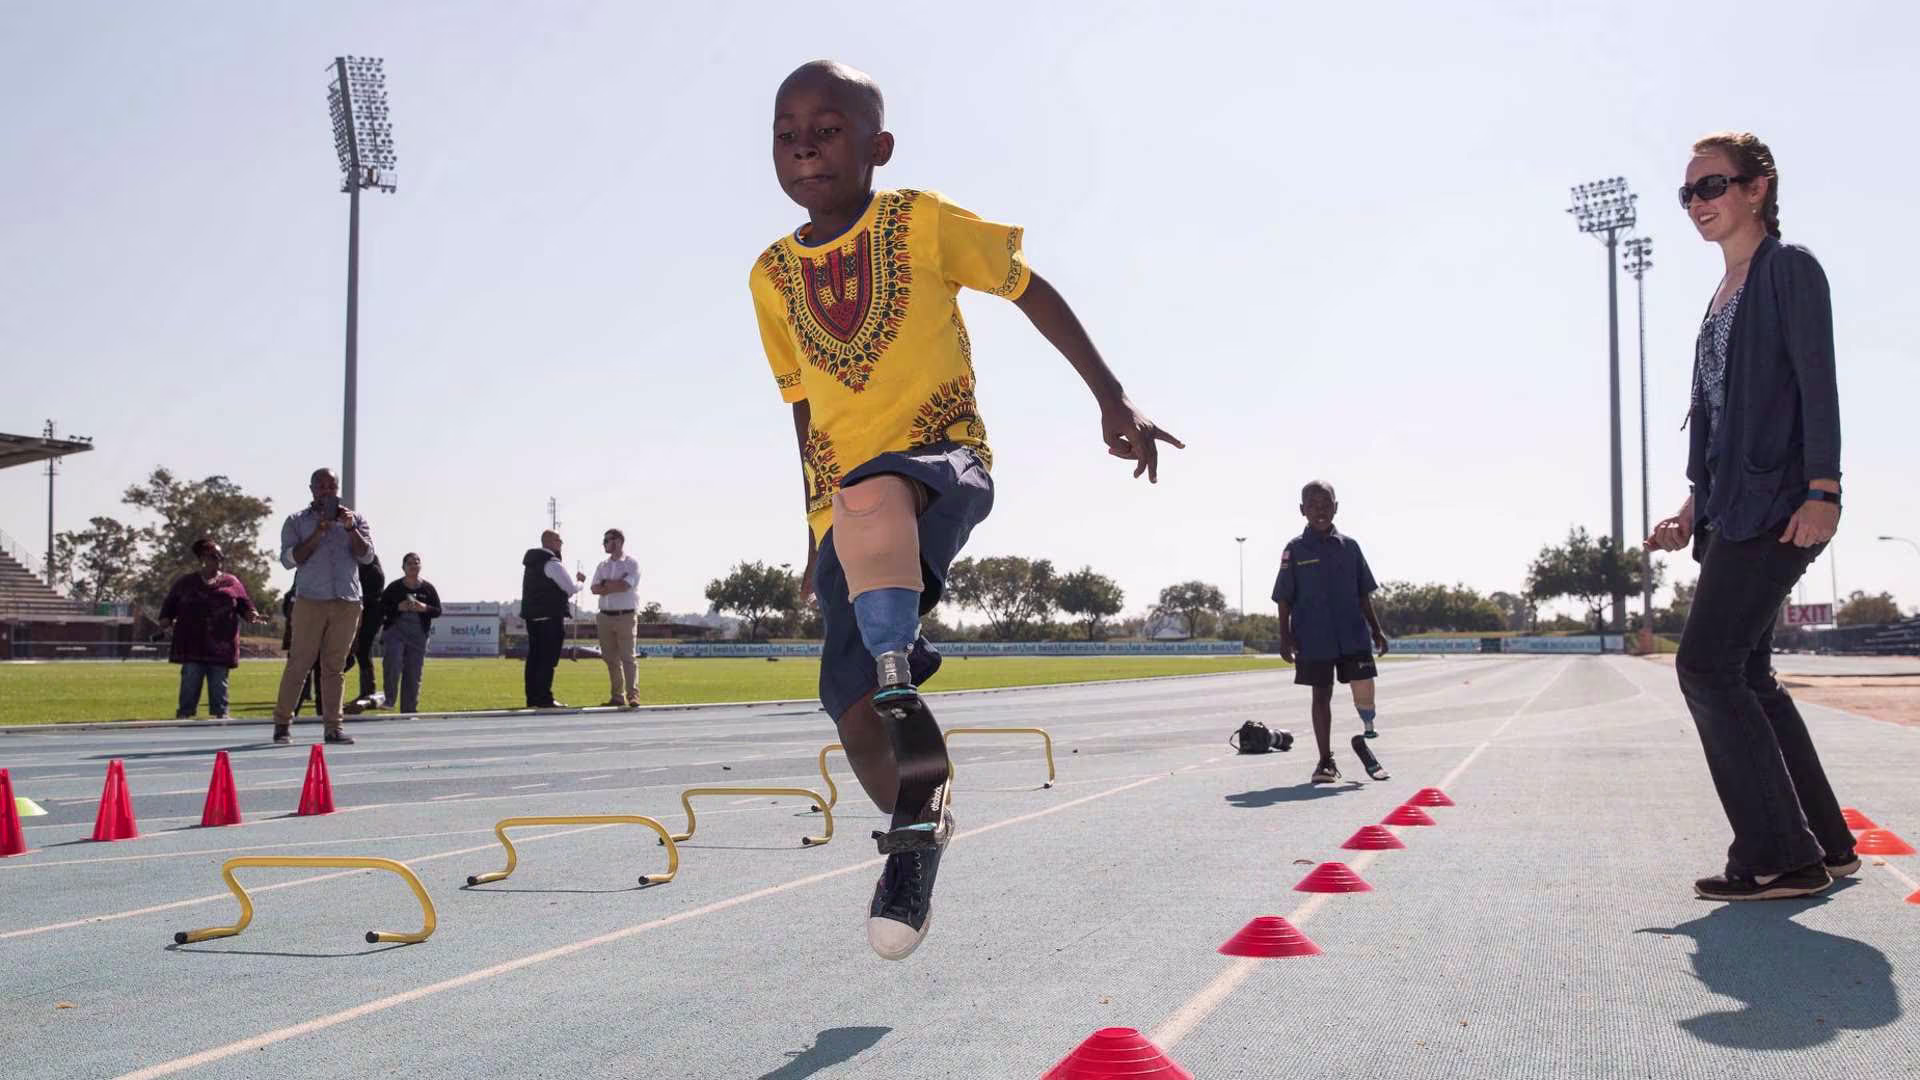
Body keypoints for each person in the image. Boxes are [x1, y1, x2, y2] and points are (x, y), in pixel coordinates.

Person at [749, 60, 1181, 960]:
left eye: (826, 128)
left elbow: (1030, 288)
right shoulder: (772, 277)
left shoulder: (922, 222)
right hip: (847, 511)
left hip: (944, 460)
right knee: (847, 702)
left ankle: (899, 650)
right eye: (786, 131)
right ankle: (917, 832)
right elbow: (803, 407)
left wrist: (1113, 397)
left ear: (878, 146)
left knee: (876, 491)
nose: (803, 145)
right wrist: (807, 529)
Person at [1646, 131, 1852, 902]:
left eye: (1713, 185)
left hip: (1782, 503)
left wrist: (1823, 490)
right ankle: (1826, 845)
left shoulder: (1787, 271)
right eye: (1689, 192)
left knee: (1705, 666)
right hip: (1731, 506)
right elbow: (1723, 418)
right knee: (1751, 675)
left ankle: (1780, 856)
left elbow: (1817, 382)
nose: (1699, 203)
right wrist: (1691, 504)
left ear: (1757, 188)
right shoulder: (1721, 294)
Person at [1273, 481, 1390, 785]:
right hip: (1314, 636)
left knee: (1364, 686)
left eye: (1326, 504)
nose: (1320, 510)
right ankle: (1325, 761)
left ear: (1336, 507)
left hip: (1353, 633)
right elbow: (1284, 597)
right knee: (1320, 694)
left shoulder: (1350, 547)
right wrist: (1285, 637)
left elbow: (1364, 594)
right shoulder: (1295, 549)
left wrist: (1377, 630)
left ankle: (1367, 730)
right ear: (1302, 511)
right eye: (1312, 505)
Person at [270, 468, 376, 745]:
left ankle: (333, 727)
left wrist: (350, 528)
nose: (327, 491)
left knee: (334, 667)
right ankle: (282, 724)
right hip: (310, 601)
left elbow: (366, 557)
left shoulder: (355, 520)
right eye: (322, 486)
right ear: (312, 489)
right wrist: (318, 532)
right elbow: (289, 559)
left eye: (332, 486)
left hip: (347, 602)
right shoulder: (296, 521)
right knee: (299, 663)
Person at [155, 538, 266, 719]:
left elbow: (246, 605)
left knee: (219, 686)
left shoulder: (231, 582)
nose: (218, 559)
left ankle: (221, 720)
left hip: (221, 646)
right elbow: (168, 608)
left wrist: (252, 615)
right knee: (190, 682)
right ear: (202, 559)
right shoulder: (185, 583)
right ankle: (184, 718)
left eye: (220, 556)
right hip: (191, 645)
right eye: (213, 556)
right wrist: (165, 622)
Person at [521, 529, 583, 708]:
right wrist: (580, 582)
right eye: (559, 540)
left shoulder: (531, 563)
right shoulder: (552, 563)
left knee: (534, 659)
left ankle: (532, 697)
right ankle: (544, 698)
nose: (561, 543)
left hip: (532, 618)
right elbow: (569, 588)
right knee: (548, 660)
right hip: (550, 617)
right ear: (551, 542)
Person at [379, 552, 441, 714]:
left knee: (413, 674)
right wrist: (397, 607)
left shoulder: (428, 588)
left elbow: (438, 611)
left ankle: (409, 711)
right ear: (403, 567)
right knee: (393, 661)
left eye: (417, 562)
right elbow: (380, 607)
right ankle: (389, 699)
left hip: (418, 636)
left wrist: (424, 607)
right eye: (410, 563)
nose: (414, 565)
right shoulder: (394, 587)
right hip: (395, 633)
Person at [589, 528, 642, 708]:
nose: (604, 544)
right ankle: (617, 696)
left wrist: (606, 585)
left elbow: (625, 586)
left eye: (607, 540)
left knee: (628, 657)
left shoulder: (631, 564)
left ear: (618, 541)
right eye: (604, 541)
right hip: (604, 616)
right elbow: (594, 589)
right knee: (610, 658)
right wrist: (612, 584)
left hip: (625, 615)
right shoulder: (602, 566)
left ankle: (633, 695)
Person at [342, 553, 387, 712]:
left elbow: (373, 596)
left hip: (372, 612)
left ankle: (368, 690)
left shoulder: (372, 569)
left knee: (363, 649)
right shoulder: (365, 565)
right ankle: (367, 689)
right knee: (361, 650)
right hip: (366, 610)